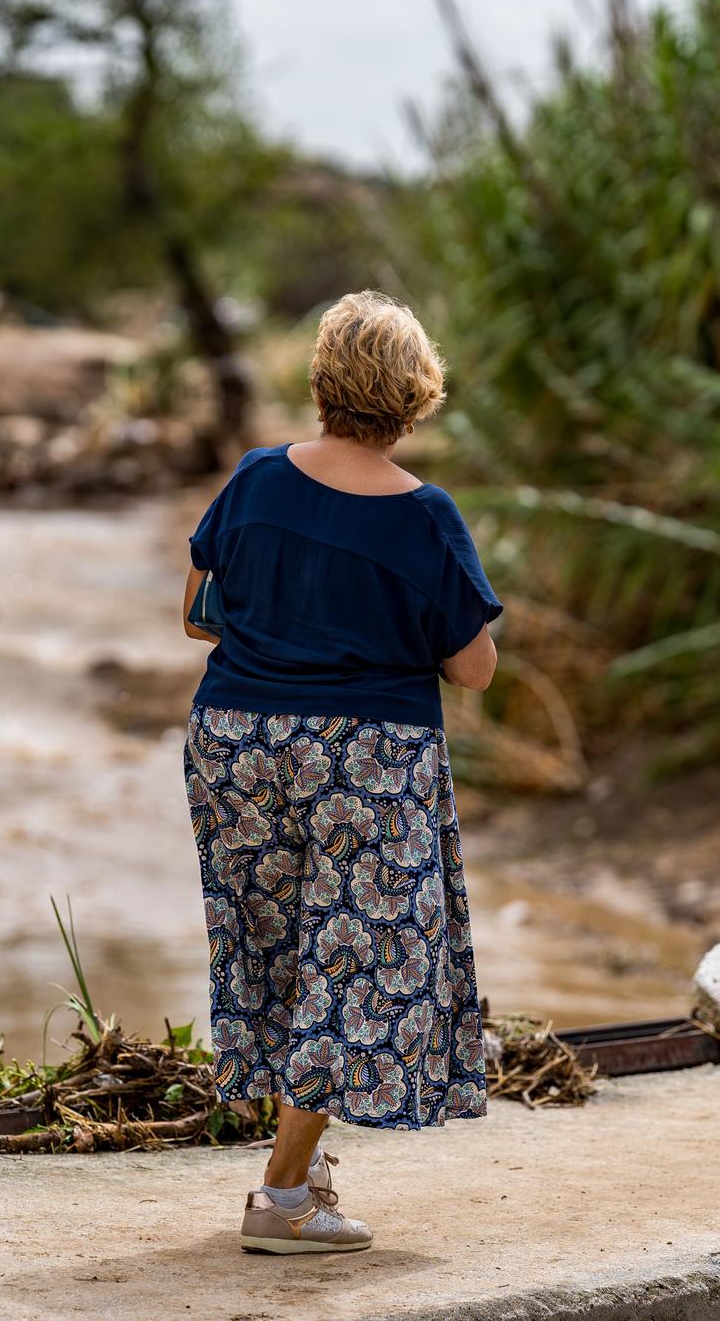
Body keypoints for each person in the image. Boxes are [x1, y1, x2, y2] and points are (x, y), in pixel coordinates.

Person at [181, 291, 501, 1254]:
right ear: (413, 397)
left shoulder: (254, 478)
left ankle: (302, 1164)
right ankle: (282, 1199)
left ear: (322, 383)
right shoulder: (427, 516)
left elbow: (198, 609)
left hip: (234, 738)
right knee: (356, 961)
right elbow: (474, 667)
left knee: (280, 952)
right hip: (365, 756)